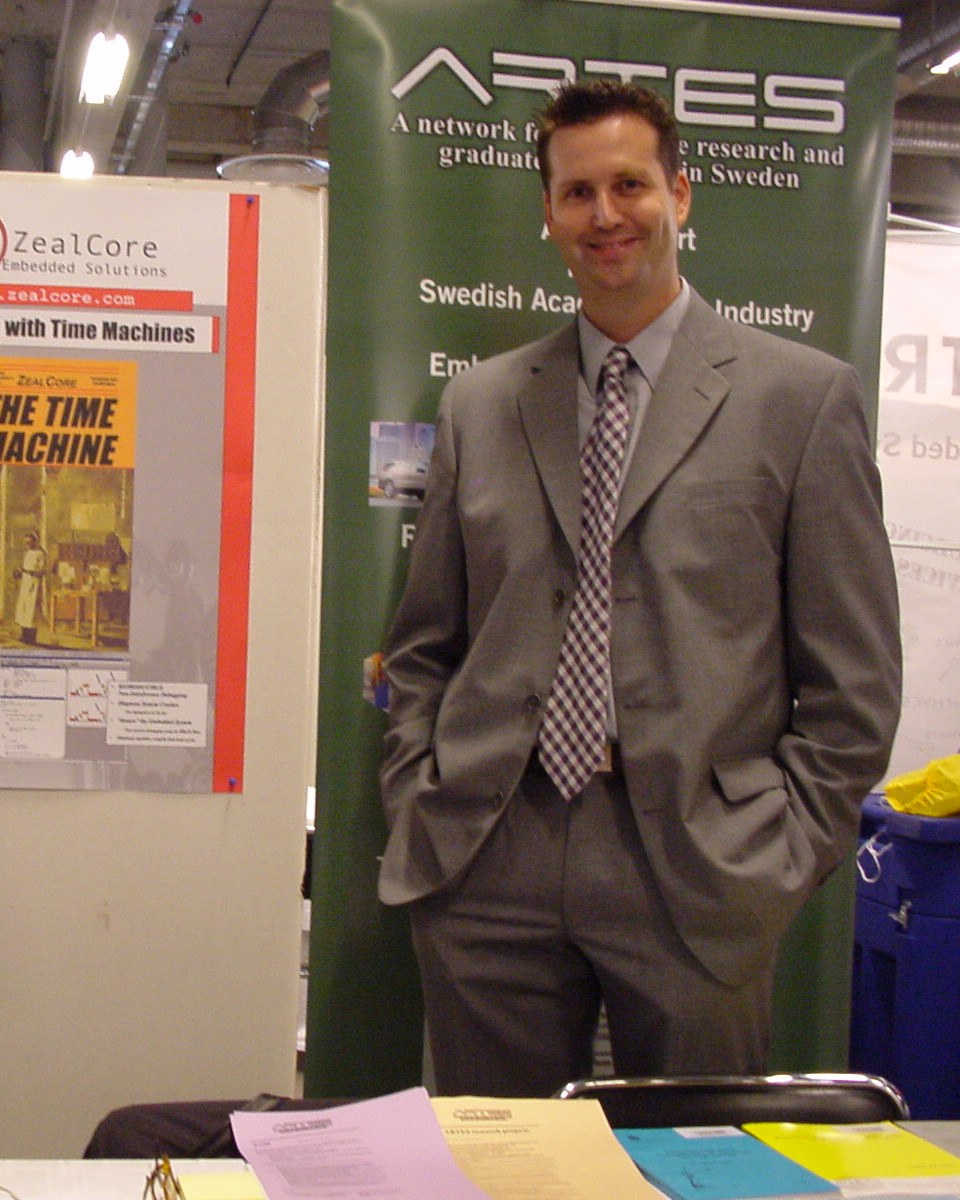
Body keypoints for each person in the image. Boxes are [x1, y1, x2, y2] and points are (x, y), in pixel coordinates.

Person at [378, 79, 900, 1098]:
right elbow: (425, 643)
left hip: (701, 864)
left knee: (690, 1162)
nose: (605, 215)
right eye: (577, 193)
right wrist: (418, 792)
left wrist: (781, 853)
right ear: (548, 213)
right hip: (489, 850)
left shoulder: (800, 399)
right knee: (501, 1161)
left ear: (680, 194)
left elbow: (855, 683)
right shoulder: (483, 403)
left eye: (629, 185)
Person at [14, 532, 46, 643]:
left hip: (34, 585)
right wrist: (19, 572)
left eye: (29, 543)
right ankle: (24, 635)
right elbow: (24, 568)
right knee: (24, 609)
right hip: (25, 584)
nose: (27, 545)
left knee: (32, 611)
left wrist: (28, 572)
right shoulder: (27, 553)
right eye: (26, 543)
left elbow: (41, 571)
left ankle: (31, 638)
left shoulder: (40, 554)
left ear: (35, 542)